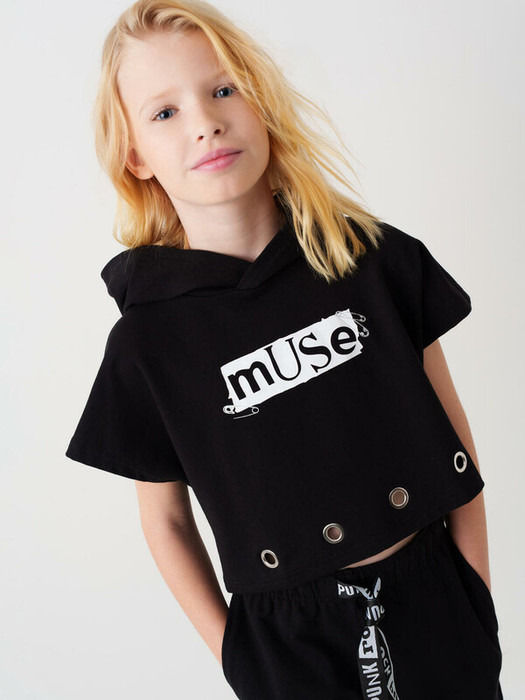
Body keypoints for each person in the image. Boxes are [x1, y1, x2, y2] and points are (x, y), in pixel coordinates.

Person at [65, 1, 504, 698]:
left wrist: (473, 592)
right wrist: (238, 658)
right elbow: (165, 520)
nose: (204, 122)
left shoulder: (370, 260)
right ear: (134, 155)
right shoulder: (148, 342)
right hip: (286, 646)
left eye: (222, 89)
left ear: (261, 103)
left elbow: (451, 435)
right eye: (165, 112)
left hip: (437, 606)